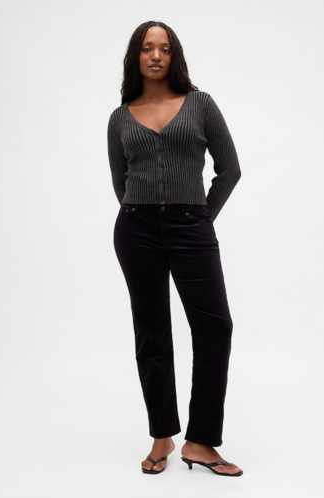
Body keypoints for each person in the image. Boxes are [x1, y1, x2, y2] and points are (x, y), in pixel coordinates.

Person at [107, 21, 243, 477]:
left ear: (175, 55)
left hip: (191, 225)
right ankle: (162, 434)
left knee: (215, 328)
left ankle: (201, 441)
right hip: (136, 229)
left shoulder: (201, 104)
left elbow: (230, 169)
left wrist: (200, 217)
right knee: (152, 331)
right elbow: (120, 181)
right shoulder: (120, 117)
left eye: (164, 48)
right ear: (136, 56)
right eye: (147, 48)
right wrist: (144, 215)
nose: (156, 55)